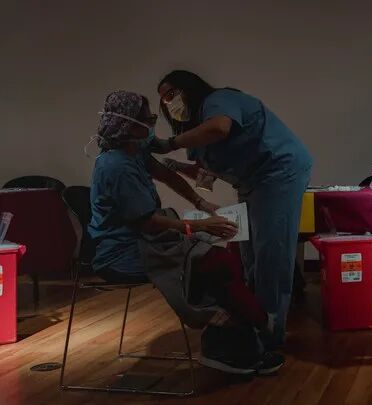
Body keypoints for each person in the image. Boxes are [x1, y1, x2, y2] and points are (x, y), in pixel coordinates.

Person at [88, 90, 284, 375]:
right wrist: (199, 226)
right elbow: (147, 222)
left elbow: (166, 175)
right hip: (124, 252)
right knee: (216, 264)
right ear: (129, 125)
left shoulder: (134, 151)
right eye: (148, 119)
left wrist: (203, 205)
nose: (153, 124)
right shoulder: (116, 166)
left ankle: (238, 340)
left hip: (147, 238)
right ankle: (249, 332)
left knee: (222, 258)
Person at [151, 71, 313, 350]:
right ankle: (255, 317)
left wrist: (169, 145)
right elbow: (205, 175)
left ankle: (270, 332)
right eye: (164, 100)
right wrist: (174, 168)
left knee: (270, 253)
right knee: (248, 253)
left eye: (172, 94)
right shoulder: (196, 128)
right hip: (250, 182)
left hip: (277, 172)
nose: (169, 103)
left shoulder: (219, 101)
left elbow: (220, 127)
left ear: (189, 88)